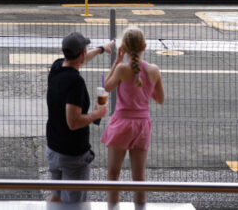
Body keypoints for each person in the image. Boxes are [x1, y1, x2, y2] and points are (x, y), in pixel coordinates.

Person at [101, 26, 165, 206]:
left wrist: (116, 62)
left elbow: (106, 87)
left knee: (113, 174)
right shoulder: (154, 70)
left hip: (122, 124)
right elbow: (160, 99)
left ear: (124, 48)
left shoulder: (121, 69)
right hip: (142, 125)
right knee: (139, 177)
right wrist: (145, 91)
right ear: (145, 46)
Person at [45, 31, 112, 203]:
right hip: (72, 155)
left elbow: (82, 59)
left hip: (53, 149)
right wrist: (97, 114)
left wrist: (101, 49)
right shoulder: (75, 82)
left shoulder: (57, 67)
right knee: (75, 205)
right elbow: (73, 122)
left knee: (57, 196)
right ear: (81, 53)